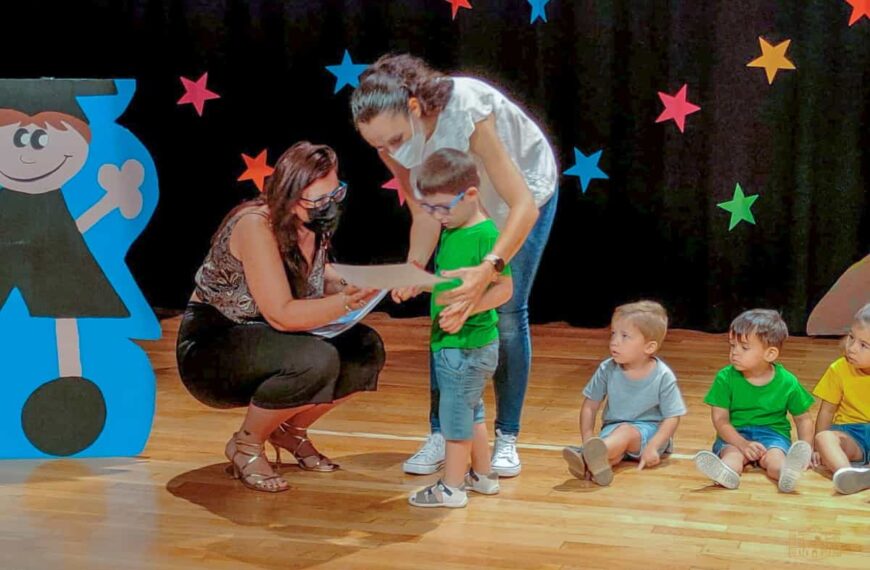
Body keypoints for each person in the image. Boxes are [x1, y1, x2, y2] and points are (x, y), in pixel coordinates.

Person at [351, 53, 559, 477]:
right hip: (462, 204)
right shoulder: (387, 137)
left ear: (413, 106)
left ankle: (507, 436)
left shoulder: (465, 108)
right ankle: (441, 432)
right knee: (447, 312)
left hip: (523, 196)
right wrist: (414, 266)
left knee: (504, 312)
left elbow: (520, 204)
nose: (389, 151)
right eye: (378, 146)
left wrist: (489, 267)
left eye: (393, 140)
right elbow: (424, 210)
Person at [176, 141, 385, 493]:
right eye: (317, 200)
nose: (328, 205)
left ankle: (290, 432)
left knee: (365, 348)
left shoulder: (313, 224)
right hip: (215, 343)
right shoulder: (255, 226)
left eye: (334, 194)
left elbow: (315, 276)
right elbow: (283, 315)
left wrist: (375, 282)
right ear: (288, 195)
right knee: (314, 359)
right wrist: (345, 302)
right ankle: (246, 445)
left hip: (263, 337)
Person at [398, 149, 512, 508]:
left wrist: (467, 308)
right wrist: (421, 283)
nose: (437, 217)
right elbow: (450, 281)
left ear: (472, 195)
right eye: (429, 209)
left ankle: (451, 487)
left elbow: (505, 289)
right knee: (471, 408)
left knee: (455, 416)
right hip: (454, 344)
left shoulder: (486, 234)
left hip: (466, 345)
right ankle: (483, 476)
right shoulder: (454, 226)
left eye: (443, 208)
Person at [562, 301, 687, 485]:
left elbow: (672, 417)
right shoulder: (607, 368)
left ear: (649, 347)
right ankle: (596, 465)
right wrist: (588, 439)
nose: (614, 341)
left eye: (625, 336)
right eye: (613, 333)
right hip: (613, 431)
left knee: (626, 432)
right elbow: (590, 405)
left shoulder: (663, 375)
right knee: (614, 448)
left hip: (650, 433)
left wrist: (653, 447)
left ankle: (587, 456)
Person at [693, 309, 814, 493]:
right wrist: (742, 443)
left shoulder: (788, 381)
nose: (734, 353)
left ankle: (786, 474)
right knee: (732, 456)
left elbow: (803, 418)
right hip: (735, 434)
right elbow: (720, 420)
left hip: (773, 435)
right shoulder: (725, 378)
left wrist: (806, 449)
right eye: (732, 345)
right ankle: (726, 474)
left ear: (770, 354)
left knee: (775, 459)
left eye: (744, 347)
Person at [812, 303, 870, 495]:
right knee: (824, 437)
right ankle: (847, 474)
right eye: (851, 337)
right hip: (851, 434)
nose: (852, 348)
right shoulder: (839, 369)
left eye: (864, 345)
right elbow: (827, 410)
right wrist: (818, 448)